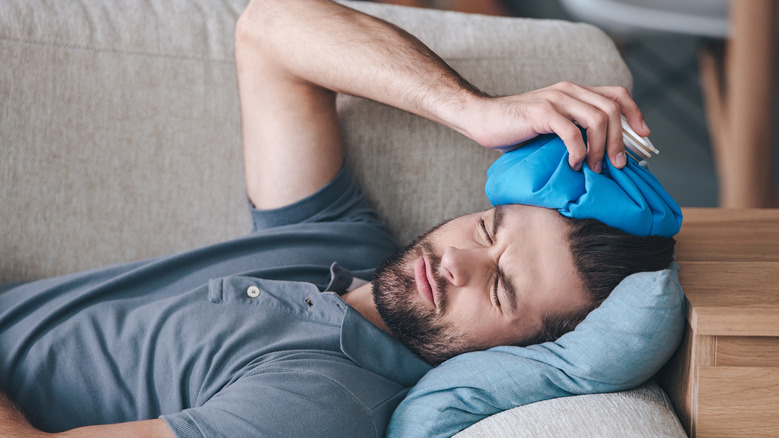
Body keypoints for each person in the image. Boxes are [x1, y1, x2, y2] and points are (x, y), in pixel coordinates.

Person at [0, 0, 675, 436]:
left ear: (517, 351)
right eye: (487, 230)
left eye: (500, 290)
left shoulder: (320, 403)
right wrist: (474, 112)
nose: (457, 264)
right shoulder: (344, 241)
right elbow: (270, 30)